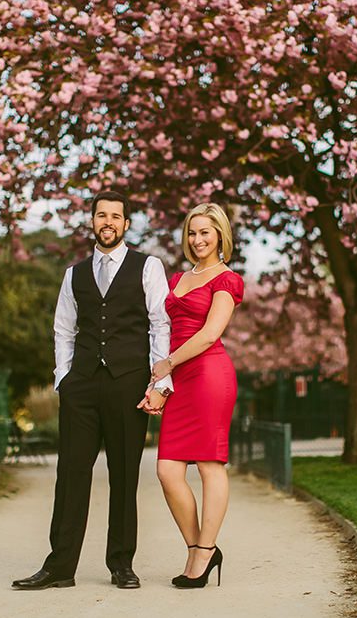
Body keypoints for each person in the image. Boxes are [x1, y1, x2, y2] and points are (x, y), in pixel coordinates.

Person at [12, 190, 174, 591]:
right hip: (81, 385)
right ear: (92, 221)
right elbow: (63, 329)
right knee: (70, 473)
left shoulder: (147, 266)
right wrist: (63, 379)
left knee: (123, 475)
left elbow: (160, 325)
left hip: (128, 383)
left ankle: (121, 565)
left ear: (125, 223)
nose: (108, 222)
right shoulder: (74, 274)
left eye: (116, 216)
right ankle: (60, 566)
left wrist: (160, 382)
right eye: (101, 215)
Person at [137, 202, 244, 589]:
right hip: (178, 377)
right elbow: (161, 327)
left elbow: (210, 334)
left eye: (206, 232)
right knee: (167, 469)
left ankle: (203, 551)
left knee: (210, 465)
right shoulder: (179, 277)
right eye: (193, 232)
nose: (198, 239)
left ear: (220, 235)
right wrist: (160, 384)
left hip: (209, 374)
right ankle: (199, 548)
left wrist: (167, 365)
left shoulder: (227, 279)